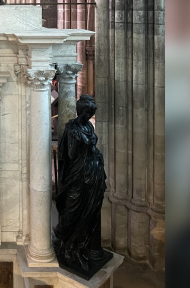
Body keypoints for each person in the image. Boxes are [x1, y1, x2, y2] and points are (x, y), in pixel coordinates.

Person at [53, 95, 107, 273]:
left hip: (93, 174)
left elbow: (93, 146)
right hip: (77, 175)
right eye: (88, 112)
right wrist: (80, 142)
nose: (90, 116)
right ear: (80, 111)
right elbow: (70, 155)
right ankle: (68, 245)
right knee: (73, 210)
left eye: (92, 113)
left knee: (91, 211)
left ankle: (82, 247)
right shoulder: (72, 129)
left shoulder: (88, 126)